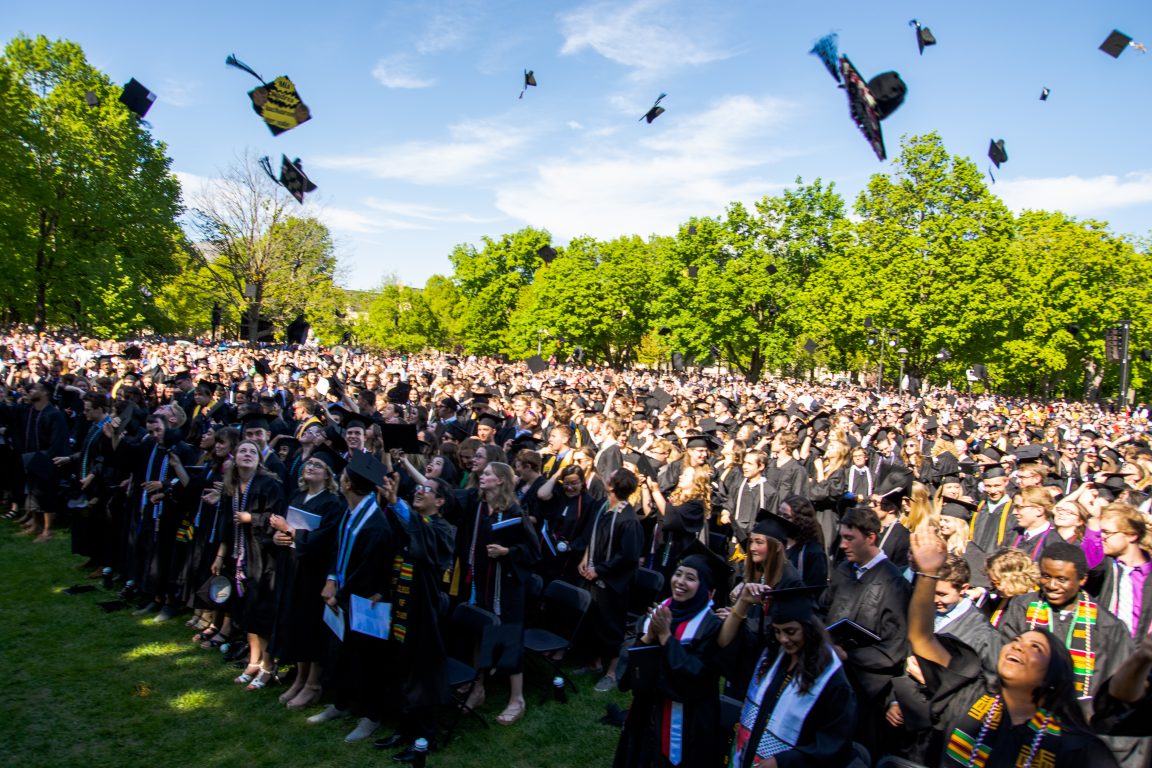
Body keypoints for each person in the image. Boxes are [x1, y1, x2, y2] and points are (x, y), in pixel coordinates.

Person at [907, 528, 1120, 767]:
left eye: (1035, 648)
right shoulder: (969, 694)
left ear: (1053, 676)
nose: (1018, 647)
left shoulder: (1075, 748)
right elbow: (922, 638)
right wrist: (927, 574)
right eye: (1017, 641)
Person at [718, 583, 859, 768]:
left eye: (791, 632)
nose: (784, 639)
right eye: (777, 631)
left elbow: (833, 743)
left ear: (808, 629)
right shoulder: (772, 657)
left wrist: (782, 762)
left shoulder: (831, 679)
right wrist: (743, 602)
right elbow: (726, 648)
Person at [310, 451, 396, 743]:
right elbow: (339, 548)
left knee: (367, 660)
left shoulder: (375, 524)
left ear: (347, 484)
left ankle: (371, 716)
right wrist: (332, 578)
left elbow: (368, 572)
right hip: (344, 595)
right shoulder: (351, 512)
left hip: (365, 602)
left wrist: (340, 595)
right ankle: (342, 703)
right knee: (342, 654)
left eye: (343, 476)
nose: (340, 478)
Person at [613, 550, 725, 768]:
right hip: (646, 715)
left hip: (687, 723)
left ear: (706, 590)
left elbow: (697, 678)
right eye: (678, 574)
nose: (680, 582)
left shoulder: (710, 627)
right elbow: (627, 677)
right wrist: (648, 637)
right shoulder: (661, 612)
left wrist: (666, 637)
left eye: (691, 578)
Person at [373, 476, 456, 761]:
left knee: (421, 677)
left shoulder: (444, 530)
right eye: (418, 488)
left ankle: (424, 737)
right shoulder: (409, 521)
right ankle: (403, 729)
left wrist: (398, 503)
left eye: (427, 490)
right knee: (398, 670)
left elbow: (424, 545)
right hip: (399, 608)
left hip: (423, 613)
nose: (419, 493)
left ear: (441, 501)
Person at [454, 461, 540, 725]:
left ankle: (517, 699)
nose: (483, 475)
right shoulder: (478, 507)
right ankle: (478, 687)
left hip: (508, 587)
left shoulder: (513, 511)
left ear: (501, 480)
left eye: (489, 473)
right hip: (481, 583)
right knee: (482, 634)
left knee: (508, 638)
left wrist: (508, 552)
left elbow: (533, 551)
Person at [824, 506, 911, 756]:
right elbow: (824, 607)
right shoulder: (844, 571)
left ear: (871, 537)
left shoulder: (894, 584)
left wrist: (848, 655)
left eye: (850, 538)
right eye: (842, 537)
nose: (842, 545)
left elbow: (895, 648)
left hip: (867, 692)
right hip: (834, 677)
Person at [268, 450, 345, 709]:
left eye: (318, 465)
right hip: (293, 569)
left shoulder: (333, 503)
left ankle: (313, 682)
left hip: (315, 573)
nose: (311, 466)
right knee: (295, 623)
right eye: (309, 462)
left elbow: (326, 540)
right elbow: (287, 533)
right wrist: (278, 538)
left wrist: (288, 530)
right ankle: (299, 678)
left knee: (311, 627)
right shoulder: (298, 496)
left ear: (328, 475)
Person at [210, 439, 284, 689]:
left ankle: (268, 666)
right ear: (235, 457)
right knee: (248, 611)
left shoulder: (269, 485)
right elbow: (224, 523)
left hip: (264, 557)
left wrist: (251, 517)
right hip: (239, 557)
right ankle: (253, 661)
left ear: (259, 459)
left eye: (253, 451)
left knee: (262, 614)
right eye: (243, 450)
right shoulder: (231, 487)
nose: (247, 454)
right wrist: (220, 556)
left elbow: (277, 517)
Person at [577, 468, 643, 692]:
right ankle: (594, 663)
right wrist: (586, 558)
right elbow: (593, 537)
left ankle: (611, 673)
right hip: (595, 576)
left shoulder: (628, 519)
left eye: (609, 477)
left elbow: (627, 556)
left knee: (610, 626)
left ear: (613, 486)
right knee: (592, 621)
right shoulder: (604, 508)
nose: (604, 477)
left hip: (613, 584)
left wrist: (600, 570)